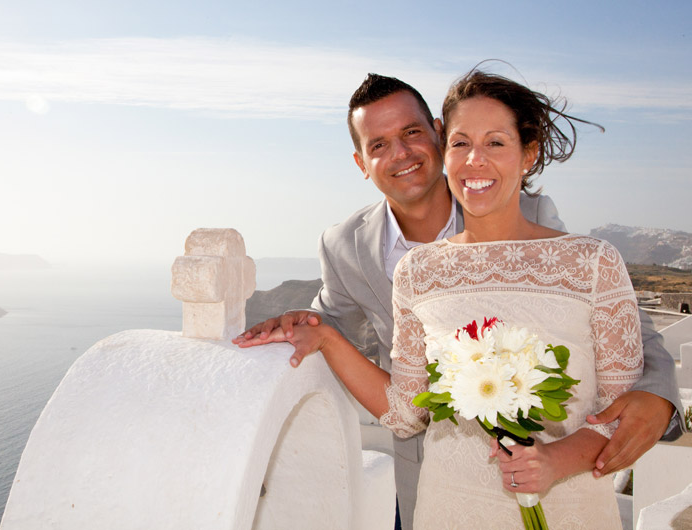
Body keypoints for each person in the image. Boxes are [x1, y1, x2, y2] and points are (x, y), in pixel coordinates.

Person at [234, 72, 683, 529]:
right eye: (379, 144)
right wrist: (314, 330)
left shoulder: (559, 238)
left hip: (566, 490)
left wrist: (659, 400)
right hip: (439, 488)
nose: (401, 154)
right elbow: (341, 329)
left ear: (434, 133)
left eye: (411, 133)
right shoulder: (350, 246)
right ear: (362, 162)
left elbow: (626, 331)